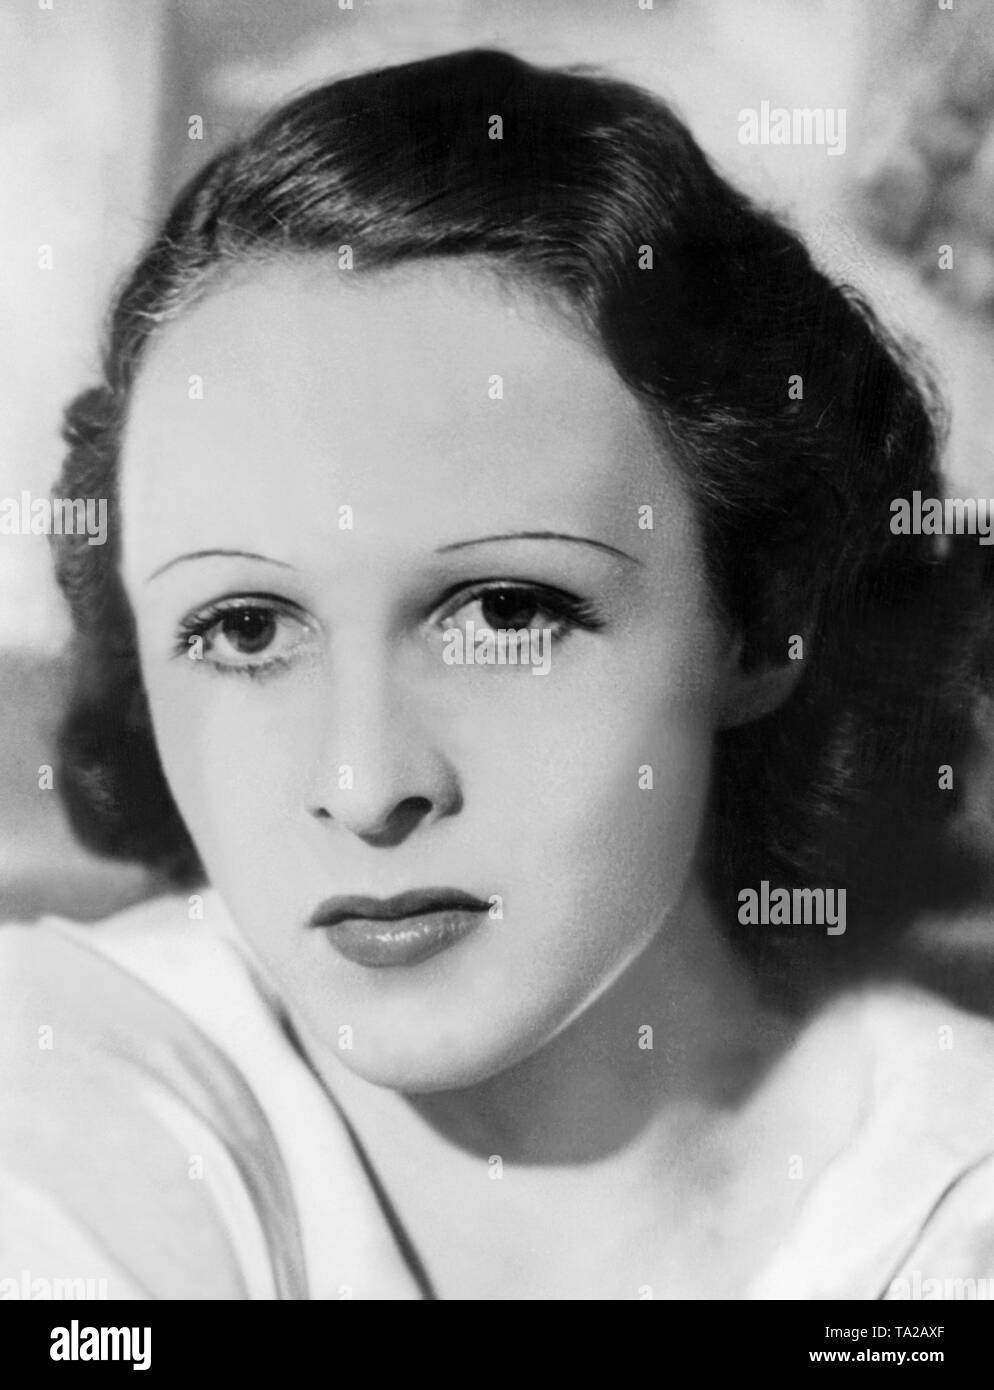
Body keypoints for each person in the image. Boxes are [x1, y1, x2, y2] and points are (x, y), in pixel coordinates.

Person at [2, 48, 993, 1301]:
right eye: (245, 630)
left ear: (757, 616)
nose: (366, 785)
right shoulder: (55, 1082)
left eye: (504, 609)